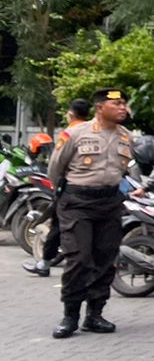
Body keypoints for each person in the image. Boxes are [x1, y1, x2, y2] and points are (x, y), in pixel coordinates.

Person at [45, 88, 141, 339]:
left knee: (105, 259)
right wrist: (61, 196)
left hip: (109, 203)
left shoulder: (126, 136)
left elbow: (124, 172)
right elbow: (55, 168)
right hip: (77, 203)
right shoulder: (75, 134)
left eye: (124, 104)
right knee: (79, 258)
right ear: (100, 108)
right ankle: (70, 315)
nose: (123, 108)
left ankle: (95, 314)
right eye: (117, 104)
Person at [23, 97, 90, 278]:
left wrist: (55, 185)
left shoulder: (69, 133)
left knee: (59, 225)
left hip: (70, 187)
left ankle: (45, 263)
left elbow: (55, 164)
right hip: (96, 189)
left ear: (70, 114)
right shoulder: (96, 131)